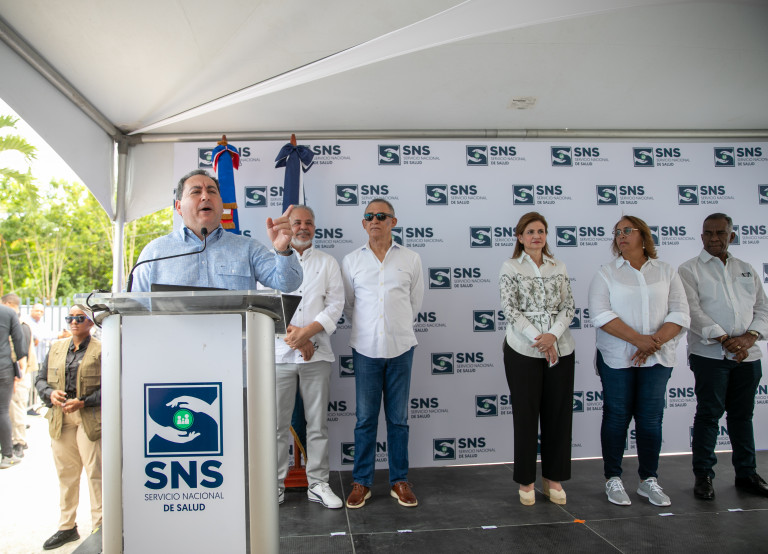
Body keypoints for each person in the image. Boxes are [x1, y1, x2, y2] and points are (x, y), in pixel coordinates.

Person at [588, 215, 690, 507]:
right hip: (616, 358)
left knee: (650, 419)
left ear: (643, 236)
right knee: (616, 417)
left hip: (657, 358)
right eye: (617, 232)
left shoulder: (666, 271)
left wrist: (652, 342)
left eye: (627, 230)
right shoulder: (606, 273)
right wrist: (638, 340)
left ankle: (649, 480)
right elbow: (600, 314)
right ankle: (613, 478)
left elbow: (680, 313)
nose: (621, 235)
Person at [678, 213, 768, 500]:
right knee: (708, 415)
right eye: (708, 233)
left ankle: (747, 473)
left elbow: (762, 309)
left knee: (742, 416)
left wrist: (748, 338)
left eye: (720, 233)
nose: (713, 238)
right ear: (701, 236)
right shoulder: (689, 270)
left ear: (732, 236)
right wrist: (726, 340)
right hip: (710, 356)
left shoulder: (746, 269)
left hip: (748, 356)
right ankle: (704, 475)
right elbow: (692, 312)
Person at [341, 199, 424, 509]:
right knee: (365, 419)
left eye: (381, 216)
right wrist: (372, 330)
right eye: (369, 216)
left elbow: (414, 303)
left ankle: (399, 480)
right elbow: (349, 305)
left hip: (401, 347)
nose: (374, 220)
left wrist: (393, 327)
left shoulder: (411, 259)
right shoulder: (351, 261)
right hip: (365, 350)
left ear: (393, 222)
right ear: (364, 224)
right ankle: (361, 482)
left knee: (398, 420)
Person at [499, 212, 576, 506]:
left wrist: (552, 336)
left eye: (541, 231)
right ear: (520, 237)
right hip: (522, 349)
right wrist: (538, 338)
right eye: (530, 232)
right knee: (526, 415)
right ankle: (526, 480)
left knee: (558, 415)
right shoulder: (510, 267)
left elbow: (569, 306)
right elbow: (510, 309)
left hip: (560, 348)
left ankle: (554, 477)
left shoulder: (559, 266)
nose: (536, 236)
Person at [274, 205, 345, 508]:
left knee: (317, 424)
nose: (303, 227)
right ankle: (274, 485)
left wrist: (307, 334)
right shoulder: (271, 260)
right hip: (278, 355)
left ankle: (318, 483)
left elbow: (335, 305)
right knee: (276, 426)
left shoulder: (328, 262)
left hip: (317, 355)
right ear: (286, 227)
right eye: (297, 222)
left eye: (309, 222)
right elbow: (266, 303)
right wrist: (297, 337)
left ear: (314, 227)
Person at [131, 169, 302, 292]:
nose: (205, 196)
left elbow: (288, 284)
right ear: (179, 207)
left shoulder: (248, 248)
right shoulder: (155, 252)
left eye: (212, 191)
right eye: (196, 192)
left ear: (221, 204)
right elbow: (135, 305)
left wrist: (283, 250)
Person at [35, 305, 102, 550]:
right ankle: (67, 526)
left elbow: (113, 385)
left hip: (88, 416)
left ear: (90, 322)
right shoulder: (56, 348)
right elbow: (40, 379)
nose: (74, 322)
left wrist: (84, 401)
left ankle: (101, 527)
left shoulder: (102, 350)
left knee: (95, 472)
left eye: (79, 318)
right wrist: (50, 393)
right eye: (70, 318)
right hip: (61, 417)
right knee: (66, 473)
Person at [1, 294, 37, 458]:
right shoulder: (15, 319)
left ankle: (18, 443)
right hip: (12, 372)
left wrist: (17, 375)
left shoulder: (20, 323)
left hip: (18, 374)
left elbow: (21, 352)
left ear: (7, 303)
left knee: (15, 410)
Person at [0, 297, 25, 469]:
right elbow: (19, 343)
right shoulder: (8, 312)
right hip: (3, 368)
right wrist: (19, 365)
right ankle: (7, 455)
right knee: (2, 411)